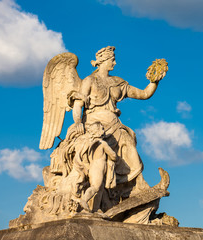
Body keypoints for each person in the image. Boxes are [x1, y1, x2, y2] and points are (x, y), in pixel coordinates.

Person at [69, 46, 165, 194]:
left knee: (129, 143)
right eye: (112, 60)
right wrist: (77, 123)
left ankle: (138, 185)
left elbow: (144, 94)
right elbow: (78, 105)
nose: (114, 63)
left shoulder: (118, 82)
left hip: (114, 124)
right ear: (102, 61)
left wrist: (154, 81)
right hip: (94, 125)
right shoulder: (89, 80)